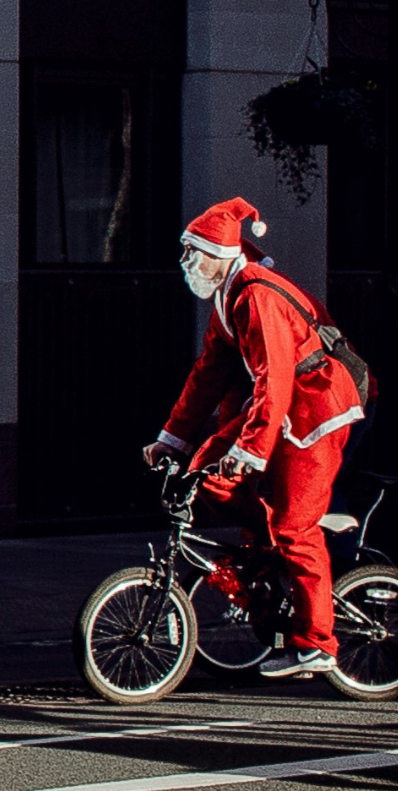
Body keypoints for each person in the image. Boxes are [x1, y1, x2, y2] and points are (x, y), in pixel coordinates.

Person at [143, 198, 366, 678]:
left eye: (191, 253)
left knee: (294, 525)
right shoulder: (227, 299)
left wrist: (250, 451)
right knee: (205, 473)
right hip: (278, 409)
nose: (185, 264)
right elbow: (208, 375)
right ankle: (271, 550)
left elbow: (276, 378)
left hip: (316, 407)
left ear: (220, 254)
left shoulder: (257, 296)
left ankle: (317, 644)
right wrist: (173, 441)